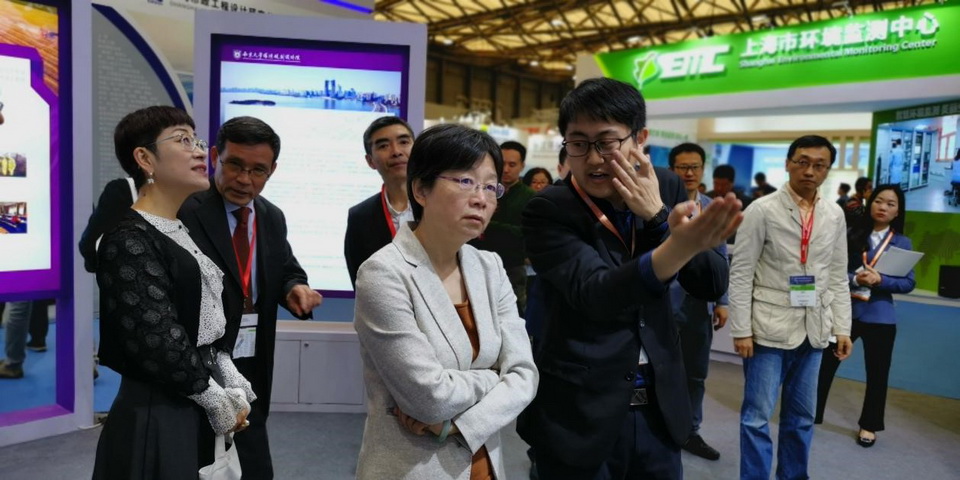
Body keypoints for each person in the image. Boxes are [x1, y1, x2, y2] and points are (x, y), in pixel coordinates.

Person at [518, 78, 741, 479]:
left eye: (607, 142)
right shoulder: (549, 208)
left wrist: (657, 217)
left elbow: (711, 283)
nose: (594, 159)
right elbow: (595, 293)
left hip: (659, 408)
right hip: (581, 411)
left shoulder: (666, 186)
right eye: (578, 143)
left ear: (640, 139)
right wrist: (674, 244)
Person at [353, 123, 538, 479]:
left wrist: (456, 426)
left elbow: (525, 375)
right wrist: (494, 378)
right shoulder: (384, 273)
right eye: (465, 181)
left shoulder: (489, 267)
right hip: (413, 469)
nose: (481, 198)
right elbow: (428, 397)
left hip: (486, 465)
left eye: (490, 186)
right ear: (421, 189)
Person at [93, 106, 255, 478]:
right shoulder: (129, 240)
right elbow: (156, 339)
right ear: (145, 158)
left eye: (197, 140)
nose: (199, 151)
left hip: (193, 401)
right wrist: (213, 396)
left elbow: (204, 323)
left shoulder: (179, 228)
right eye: (183, 140)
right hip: (160, 410)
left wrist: (227, 373)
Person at [179, 116, 323, 479]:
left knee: (253, 446)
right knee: (200, 451)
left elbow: (285, 267)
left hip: (253, 352)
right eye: (235, 165)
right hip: (201, 357)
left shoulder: (272, 216)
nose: (245, 179)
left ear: (272, 170)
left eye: (258, 170)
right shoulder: (186, 210)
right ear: (215, 157)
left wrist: (295, 287)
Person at [728, 135, 853, 480]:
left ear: (827, 170)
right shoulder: (762, 210)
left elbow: (837, 274)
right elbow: (741, 273)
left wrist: (842, 328)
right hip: (768, 328)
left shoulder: (834, 214)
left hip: (815, 329)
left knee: (801, 418)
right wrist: (741, 330)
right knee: (756, 417)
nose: (810, 171)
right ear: (787, 164)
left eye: (819, 165)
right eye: (802, 162)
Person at [816, 184, 915, 448]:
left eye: (891, 204)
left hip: (881, 316)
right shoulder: (851, 234)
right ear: (870, 204)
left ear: (897, 212)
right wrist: (854, 278)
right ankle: (810, 414)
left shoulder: (902, 242)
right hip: (845, 312)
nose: (883, 207)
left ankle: (869, 425)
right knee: (824, 366)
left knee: (877, 374)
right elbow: (832, 270)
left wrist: (881, 280)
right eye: (879, 201)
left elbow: (908, 283)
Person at [667, 142, 729, 461]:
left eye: (695, 167)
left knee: (695, 373)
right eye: (683, 167)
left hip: (699, 305)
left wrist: (722, 300)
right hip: (664, 303)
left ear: (703, 169)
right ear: (672, 169)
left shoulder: (713, 209)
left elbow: (721, 257)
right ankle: (658, 430)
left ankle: (690, 431)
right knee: (660, 369)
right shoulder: (658, 206)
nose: (689, 173)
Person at [344, 116, 415, 287]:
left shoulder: (441, 206)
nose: (396, 151)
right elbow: (361, 283)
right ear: (370, 161)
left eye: (404, 142)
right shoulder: (360, 216)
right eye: (383, 146)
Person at [471, 141, 536, 315]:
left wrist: (487, 225)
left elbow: (525, 233)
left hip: (512, 266)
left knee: (513, 313)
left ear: (522, 166)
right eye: (502, 163)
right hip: (477, 263)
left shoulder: (530, 197)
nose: (505, 169)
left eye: (512, 165)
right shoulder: (482, 191)